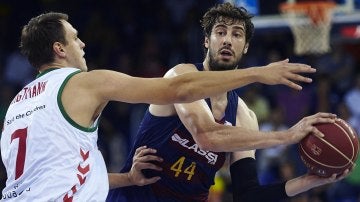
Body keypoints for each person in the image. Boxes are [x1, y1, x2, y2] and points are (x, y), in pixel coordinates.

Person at [0, 11, 317, 201]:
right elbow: (182, 96)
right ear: (59, 49)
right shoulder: (85, 83)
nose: (82, 44)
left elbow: (56, 175)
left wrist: (128, 178)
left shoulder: (18, 105)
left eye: (236, 34)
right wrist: (262, 75)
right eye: (75, 38)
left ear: (245, 44)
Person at [107, 3, 350, 202]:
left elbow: (248, 195)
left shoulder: (244, 115)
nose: (227, 40)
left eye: (236, 34)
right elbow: (206, 136)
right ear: (206, 41)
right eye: (220, 32)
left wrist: (309, 181)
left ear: (245, 47)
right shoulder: (180, 76)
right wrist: (288, 135)